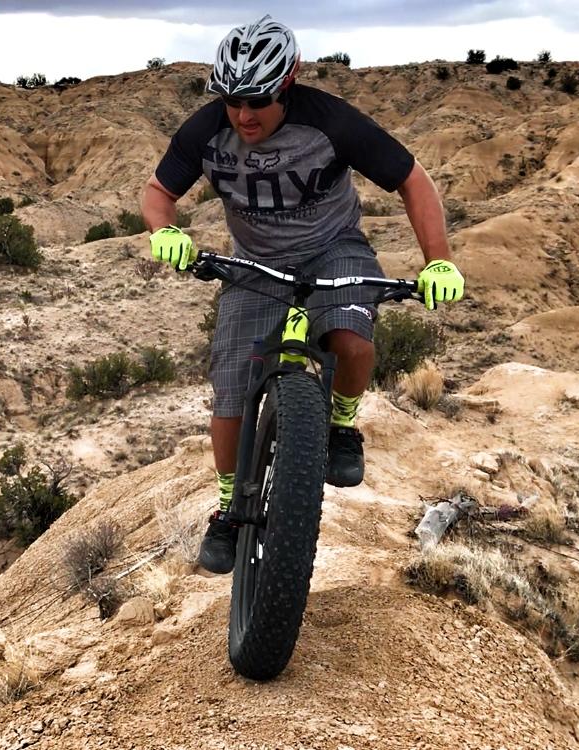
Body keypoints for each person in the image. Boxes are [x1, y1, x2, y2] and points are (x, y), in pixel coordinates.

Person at [140, 15, 464, 574]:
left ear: (286, 86)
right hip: (255, 264)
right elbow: (157, 191)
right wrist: (164, 229)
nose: (244, 114)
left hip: (333, 247)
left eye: (259, 101)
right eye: (233, 100)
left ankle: (341, 423)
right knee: (232, 388)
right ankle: (228, 508)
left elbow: (412, 178)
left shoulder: (331, 122)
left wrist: (439, 261)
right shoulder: (205, 130)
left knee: (352, 343)